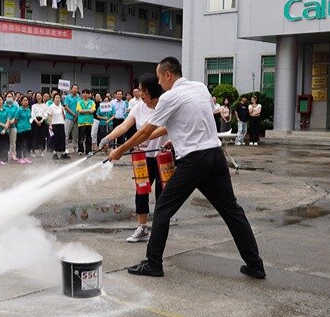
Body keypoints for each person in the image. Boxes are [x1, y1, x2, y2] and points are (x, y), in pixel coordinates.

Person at [108, 57, 265, 279]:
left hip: (193, 161)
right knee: (232, 211)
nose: (159, 83)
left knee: (163, 208)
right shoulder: (200, 87)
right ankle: (255, 264)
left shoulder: (170, 96)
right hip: (215, 156)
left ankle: (153, 263)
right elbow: (201, 116)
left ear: (168, 75)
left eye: (160, 77)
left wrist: (120, 150)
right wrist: (176, 137)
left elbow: (145, 132)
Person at [100, 73, 169, 243]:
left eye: (142, 92)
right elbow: (124, 125)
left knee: (164, 195)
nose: (139, 95)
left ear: (150, 91)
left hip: (163, 156)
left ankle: (160, 230)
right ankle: (142, 227)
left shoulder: (165, 105)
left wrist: (146, 138)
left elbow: (166, 128)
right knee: (141, 190)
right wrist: (108, 138)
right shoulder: (138, 107)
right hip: (143, 158)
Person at [48, 93, 67, 160]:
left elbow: (64, 117)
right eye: (56, 98)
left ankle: (63, 153)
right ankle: (54, 153)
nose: (58, 99)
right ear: (54, 99)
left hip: (61, 124)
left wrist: (62, 111)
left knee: (62, 139)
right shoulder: (51, 107)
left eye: (59, 98)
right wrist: (50, 125)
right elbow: (49, 116)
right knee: (55, 139)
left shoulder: (61, 107)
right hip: (54, 125)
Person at [76, 89, 96, 154]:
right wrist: (88, 111)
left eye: (86, 93)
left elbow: (92, 111)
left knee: (89, 137)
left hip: (89, 122)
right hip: (81, 123)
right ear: (82, 94)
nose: (85, 94)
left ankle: (89, 150)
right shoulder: (79, 102)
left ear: (89, 94)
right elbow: (79, 111)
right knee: (81, 137)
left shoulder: (92, 102)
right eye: (84, 93)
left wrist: (84, 111)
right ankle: (80, 150)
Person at [63, 84, 80, 151]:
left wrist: (77, 115)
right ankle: (65, 147)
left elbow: (80, 108)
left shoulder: (79, 98)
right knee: (66, 134)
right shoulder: (67, 97)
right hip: (69, 118)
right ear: (71, 89)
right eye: (74, 88)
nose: (75, 90)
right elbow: (66, 107)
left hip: (77, 118)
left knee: (75, 135)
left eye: (76, 88)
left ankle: (75, 147)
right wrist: (74, 114)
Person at [15, 96, 32, 163]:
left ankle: (25, 157)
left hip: (28, 128)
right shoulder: (19, 109)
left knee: (26, 144)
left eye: (27, 100)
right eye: (24, 100)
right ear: (21, 101)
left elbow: (30, 118)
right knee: (20, 144)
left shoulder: (28, 109)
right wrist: (18, 126)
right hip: (21, 129)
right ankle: (19, 157)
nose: (25, 101)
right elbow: (16, 120)